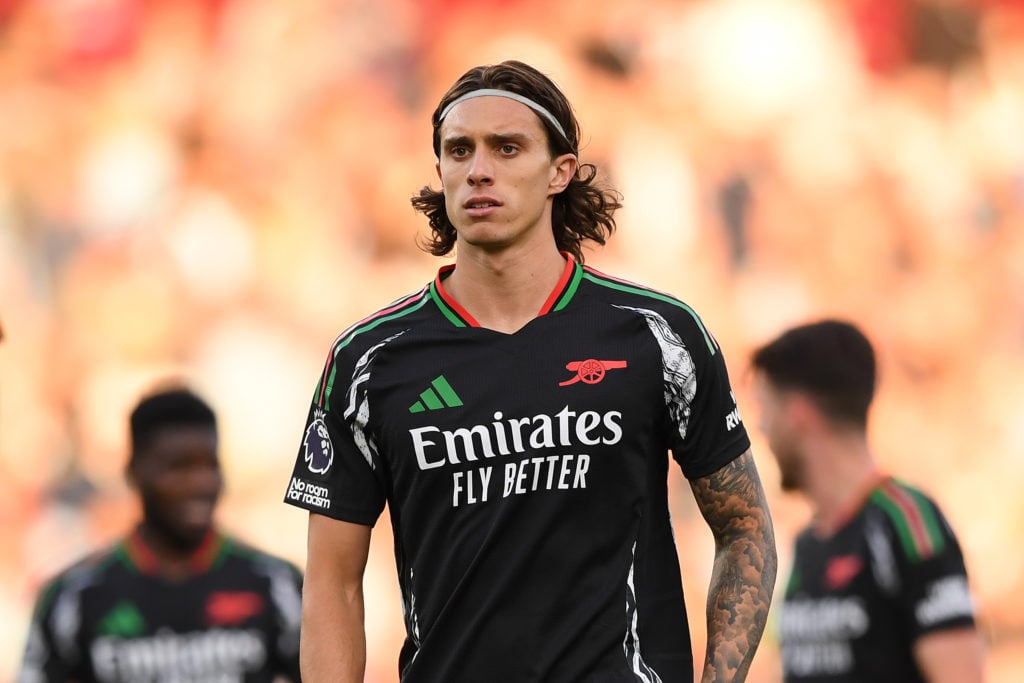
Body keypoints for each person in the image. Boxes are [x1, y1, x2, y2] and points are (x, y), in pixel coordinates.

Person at [284, 59, 777, 682]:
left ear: (560, 171)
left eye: (507, 147)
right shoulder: (370, 361)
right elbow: (332, 581)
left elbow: (745, 528)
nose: (478, 169)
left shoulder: (656, 334)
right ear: (439, 171)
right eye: (458, 151)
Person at [749, 320, 985, 682]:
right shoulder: (806, 545)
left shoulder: (906, 522)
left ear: (798, 414)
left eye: (767, 410)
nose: (762, 429)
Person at [18, 385, 304, 683]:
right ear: (134, 472)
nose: (200, 484)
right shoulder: (74, 597)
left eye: (210, 465)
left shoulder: (276, 585)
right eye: (179, 467)